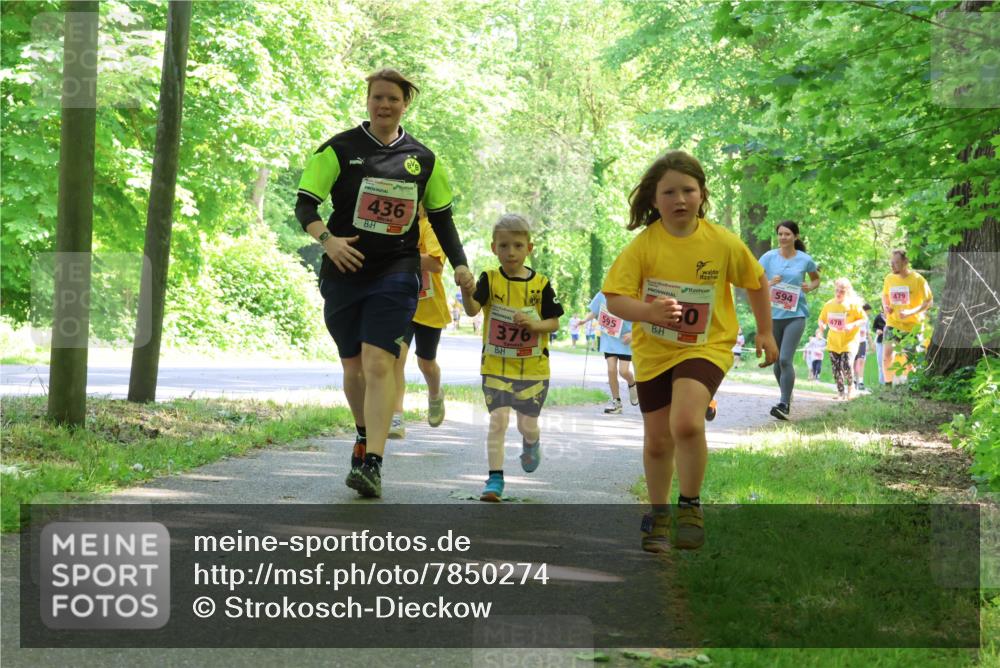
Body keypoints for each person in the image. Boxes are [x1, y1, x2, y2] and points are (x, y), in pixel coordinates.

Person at [295, 68, 474, 499]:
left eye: (392, 98)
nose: (384, 105)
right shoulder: (339, 149)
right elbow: (305, 205)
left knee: (379, 363)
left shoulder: (425, 160)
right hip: (345, 270)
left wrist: (461, 266)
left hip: (397, 270)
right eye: (377, 97)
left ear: (404, 104)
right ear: (368, 100)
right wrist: (328, 241)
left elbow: (444, 220)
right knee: (353, 368)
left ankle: (373, 462)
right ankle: (362, 434)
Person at [602, 150, 777, 553]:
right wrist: (649, 312)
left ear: (702, 195)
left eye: (688, 190)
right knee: (658, 441)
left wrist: (765, 331)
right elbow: (614, 298)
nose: (679, 199)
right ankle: (659, 515)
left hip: (707, 346)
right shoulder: (644, 246)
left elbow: (756, 280)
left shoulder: (721, 242)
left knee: (686, 423)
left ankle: (691, 506)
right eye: (669, 192)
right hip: (655, 352)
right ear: (653, 199)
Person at [460, 214, 563, 502]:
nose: (511, 252)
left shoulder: (540, 284)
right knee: (497, 422)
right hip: (495, 365)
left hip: (533, 370)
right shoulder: (489, 279)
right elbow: (471, 310)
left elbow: (554, 322)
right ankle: (495, 479)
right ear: (494, 248)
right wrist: (466, 292)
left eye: (518, 246)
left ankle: (532, 442)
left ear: (529, 248)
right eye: (504, 246)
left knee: (525, 424)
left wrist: (535, 325)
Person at [388, 211, 450, 439]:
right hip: (400, 304)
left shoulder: (428, 227)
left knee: (426, 363)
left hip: (429, 307)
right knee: (397, 357)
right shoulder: (392, 227)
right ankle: (396, 415)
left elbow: (435, 263)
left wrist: (401, 256)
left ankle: (435, 394)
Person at [757, 220, 821, 421]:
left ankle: (784, 404)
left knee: (785, 359)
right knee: (776, 361)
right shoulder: (768, 258)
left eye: (787, 234)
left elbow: (816, 278)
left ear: (796, 236)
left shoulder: (805, 259)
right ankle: (786, 394)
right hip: (772, 316)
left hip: (796, 315)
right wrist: (769, 283)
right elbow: (754, 282)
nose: (783, 237)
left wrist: (810, 287)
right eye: (780, 234)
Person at [580, 292, 638, 415]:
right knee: (611, 370)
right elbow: (595, 311)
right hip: (609, 337)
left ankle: (632, 384)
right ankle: (616, 403)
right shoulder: (602, 294)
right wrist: (584, 320)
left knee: (624, 371)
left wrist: (634, 334)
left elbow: (643, 318)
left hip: (624, 339)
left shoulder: (632, 294)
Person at [881, 249, 933, 385]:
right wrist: (886, 306)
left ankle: (911, 385)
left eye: (896, 263)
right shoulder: (889, 278)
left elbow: (929, 302)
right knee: (887, 355)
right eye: (891, 262)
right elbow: (885, 296)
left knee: (910, 359)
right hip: (893, 323)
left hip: (912, 326)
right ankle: (887, 385)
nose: (892, 266)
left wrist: (911, 312)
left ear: (905, 262)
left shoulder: (918, 279)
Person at [818, 278, 866, 400]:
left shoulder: (853, 305)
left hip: (849, 341)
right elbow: (822, 319)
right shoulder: (829, 304)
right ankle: (840, 392)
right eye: (837, 291)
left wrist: (852, 325)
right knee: (836, 368)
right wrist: (822, 326)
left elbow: (863, 319)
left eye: (842, 291)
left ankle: (851, 389)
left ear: (847, 292)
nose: (839, 294)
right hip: (833, 341)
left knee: (846, 365)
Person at [853, 303, 874, 392]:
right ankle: (853, 381)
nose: (868, 314)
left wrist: (871, 343)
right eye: (867, 312)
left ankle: (860, 382)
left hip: (862, 342)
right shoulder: (855, 318)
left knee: (861, 362)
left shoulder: (866, 320)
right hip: (854, 342)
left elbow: (868, 333)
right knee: (854, 362)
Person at [872, 307, 887, 385]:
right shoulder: (878, 317)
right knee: (880, 362)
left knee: (888, 362)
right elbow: (873, 328)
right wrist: (877, 330)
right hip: (880, 342)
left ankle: (889, 382)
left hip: (891, 342)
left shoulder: (893, 316)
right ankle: (882, 383)